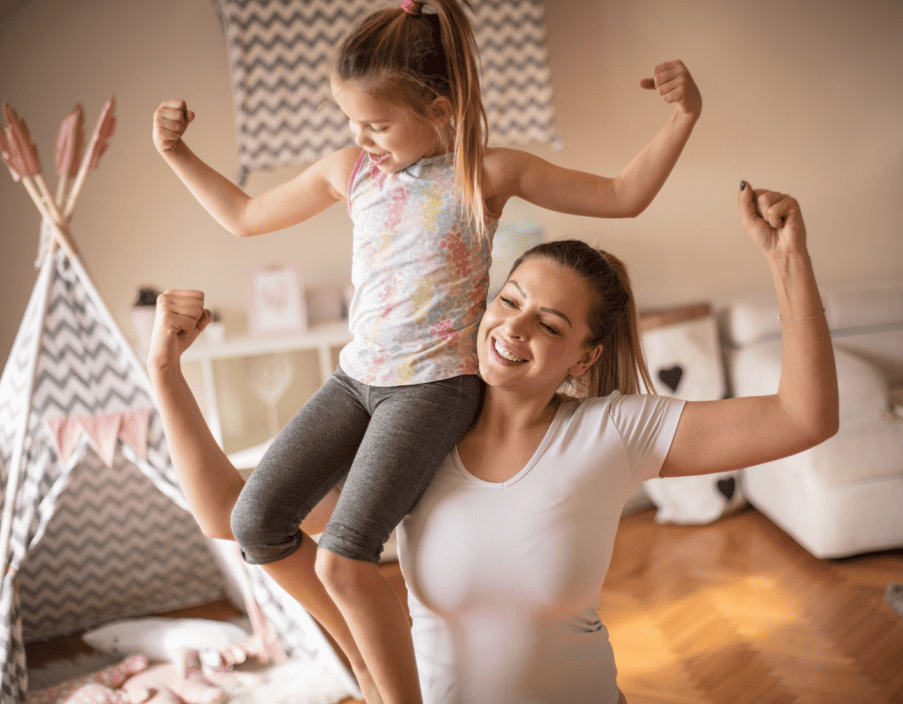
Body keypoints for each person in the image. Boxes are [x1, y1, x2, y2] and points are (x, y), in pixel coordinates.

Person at [152, 1, 699, 701]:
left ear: (439, 108)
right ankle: (370, 670)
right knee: (256, 521)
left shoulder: (485, 172)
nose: (362, 137)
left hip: (433, 386)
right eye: (352, 121)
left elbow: (624, 196)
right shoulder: (348, 171)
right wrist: (176, 153)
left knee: (344, 563)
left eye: (377, 124)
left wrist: (681, 118)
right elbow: (242, 215)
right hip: (356, 380)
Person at [147, 181, 838, 704]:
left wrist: (789, 261)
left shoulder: (614, 430)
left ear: (583, 357)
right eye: (509, 301)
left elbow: (802, 418)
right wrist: (165, 372)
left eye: (549, 322)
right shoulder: (412, 439)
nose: (514, 328)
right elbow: (233, 517)